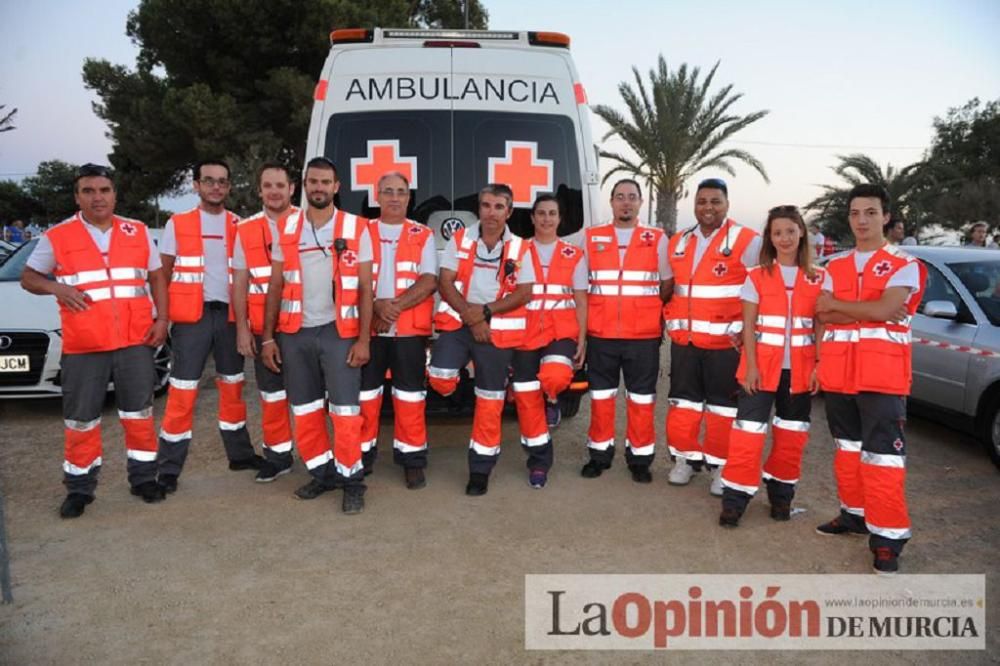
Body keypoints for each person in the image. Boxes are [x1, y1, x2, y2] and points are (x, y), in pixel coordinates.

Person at [20, 164, 168, 517]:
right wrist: (56, 286)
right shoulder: (58, 236)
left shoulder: (138, 230)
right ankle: (79, 489)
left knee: (140, 413)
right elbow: (28, 277)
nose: (97, 197)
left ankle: (144, 478)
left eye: (103, 190)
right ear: (78, 197)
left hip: (135, 341)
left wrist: (163, 319)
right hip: (85, 345)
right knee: (81, 419)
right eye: (88, 191)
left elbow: (156, 277)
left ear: (115, 194)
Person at [814, 183, 924, 575]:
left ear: (886, 216)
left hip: (883, 376)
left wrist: (846, 306)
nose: (862, 220)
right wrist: (869, 310)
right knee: (847, 449)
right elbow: (824, 316)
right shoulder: (835, 265)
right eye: (855, 213)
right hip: (840, 374)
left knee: (884, 458)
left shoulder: (904, 264)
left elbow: (888, 308)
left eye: (871, 212)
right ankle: (853, 514)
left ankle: (888, 540)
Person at [260, 157, 374, 514]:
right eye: (313, 182)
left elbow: (367, 288)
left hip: (339, 333)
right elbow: (276, 285)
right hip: (296, 333)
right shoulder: (288, 228)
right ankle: (322, 473)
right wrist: (267, 337)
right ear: (304, 185)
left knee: (344, 411)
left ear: (337, 187)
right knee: (306, 409)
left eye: (326, 182)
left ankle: (352, 479)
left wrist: (364, 340)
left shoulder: (357, 227)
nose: (319, 188)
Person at [156, 160, 260, 494]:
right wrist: (162, 317)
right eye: (209, 181)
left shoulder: (240, 225)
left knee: (233, 386)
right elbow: (163, 273)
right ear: (196, 185)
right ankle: (168, 467)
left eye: (222, 182)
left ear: (229, 187)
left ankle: (240, 455)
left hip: (230, 317)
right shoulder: (178, 223)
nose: (216, 187)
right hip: (192, 320)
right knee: (183, 391)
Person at [718, 205, 824, 527]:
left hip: (800, 373)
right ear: (770, 238)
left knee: (791, 437)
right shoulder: (756, 276)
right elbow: (748, 327)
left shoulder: (819, 277)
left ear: (801, 232)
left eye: (791, 231)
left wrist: (819, 365)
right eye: (777, 233)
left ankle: (782, 497)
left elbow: (821, 326)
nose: (785, 238)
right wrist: (750, 367)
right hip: (760, 370)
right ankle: (734, 500)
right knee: (747, 435)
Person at [427, 183, 534, 496]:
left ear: (509, 212)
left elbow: (524, 292)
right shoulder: (460, 239)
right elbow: (445, 283)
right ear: (479, 208)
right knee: (440, 377)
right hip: (461, 325)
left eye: (499, 207)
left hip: (496, 331)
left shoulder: (520, 248)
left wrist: (484, 312)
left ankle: (481, 468)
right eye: (486, 205)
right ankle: (460, 392)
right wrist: (471, 317)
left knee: (489, 403)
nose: (491, 212)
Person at [664, 178, 761, 495]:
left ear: (727, 204)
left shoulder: (748, 241)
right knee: (684, 406)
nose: (708, 208)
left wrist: (750, 334)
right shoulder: (679, 240)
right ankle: (685, 460)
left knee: (722, 410)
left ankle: (721, 467)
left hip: (726, 345)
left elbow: (762, 291)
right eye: (702, 201)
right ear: (694, 205)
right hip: (685, 343)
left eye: (715, 201)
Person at [580, 179, 670, 484]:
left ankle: (640, 459)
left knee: (642, 400)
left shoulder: (657, 238)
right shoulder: (591, 237)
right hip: (601, 334)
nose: (626, 202)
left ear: (641, 203)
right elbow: (581, 285)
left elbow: (667, 284)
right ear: (612, 202)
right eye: (620, 197)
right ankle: (599, 454)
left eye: (632, 197)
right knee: (601, 397)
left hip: (643, 337)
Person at [358, 171, 438, 490]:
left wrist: (391, 309)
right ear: (377, 196)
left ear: (409, 198)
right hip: (370, 332)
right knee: (366, 396)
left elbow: (429, 280)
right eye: (388, 191)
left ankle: (412, 460)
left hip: (407, 332)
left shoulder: (423, 234)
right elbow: (351, 278)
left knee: (410, 397)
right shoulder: (362, 231)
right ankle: (362, 456)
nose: (394, 197)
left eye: (401, 192)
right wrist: (376, 305)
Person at [511, 194, 587, 489]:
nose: (546, 219)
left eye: (552, 213)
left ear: (560, 218)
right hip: (523, 332)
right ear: (532, 218)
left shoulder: (573, 254)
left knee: (555, 376)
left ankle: (553, 398)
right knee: (527, 399)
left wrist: (583, 339)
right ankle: (539, 461)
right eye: (540, 213)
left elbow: (581, 299)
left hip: (560, 330)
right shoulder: (517, 251)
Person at [232, 163, 297, 483]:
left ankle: (323, 456)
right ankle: (278, 456)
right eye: (268, 185)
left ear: (291, 189)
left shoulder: (308, 222)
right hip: (262, 328)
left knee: (315, 395)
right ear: (259, 190)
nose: (274, 191)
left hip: (303, 325)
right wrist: (243, 328)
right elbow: (240, 282)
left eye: (280, 185)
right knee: (272, 396)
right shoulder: (244, 229)